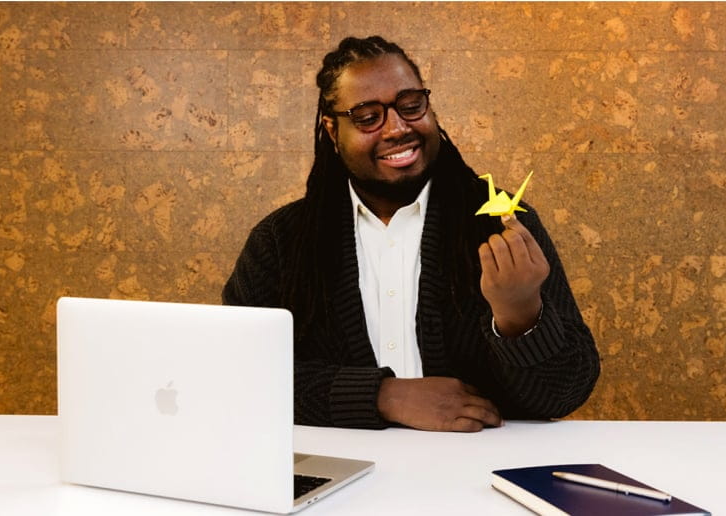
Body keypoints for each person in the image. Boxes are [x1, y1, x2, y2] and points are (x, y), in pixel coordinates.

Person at [223, 36, 600, 432]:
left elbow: (565, 393)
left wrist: (519, 316)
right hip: (340, 476)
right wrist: (385, 396)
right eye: (368, 116)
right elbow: (238, 376)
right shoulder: (281, 243)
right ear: (332, 131)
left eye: (411, 105)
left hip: (476, 472)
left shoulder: (500, 223)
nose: (397, 128)